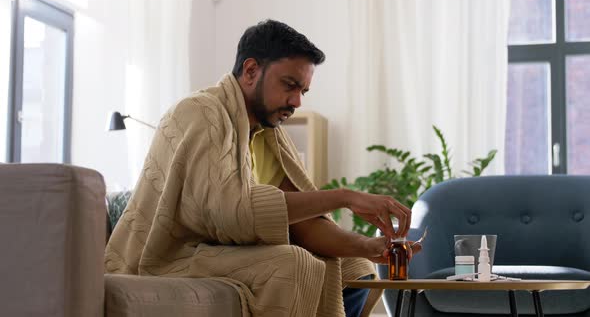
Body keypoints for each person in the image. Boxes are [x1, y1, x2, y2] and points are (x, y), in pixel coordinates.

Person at [105, 19, 420, 317]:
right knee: (294, 264)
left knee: (355, 268)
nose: (297, 100)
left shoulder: (270, 135)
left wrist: (368, 247)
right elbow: (229, 213)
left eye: (303, 91)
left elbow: (304, 225)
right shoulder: (201, 112)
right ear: (251, 70)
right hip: (169, 256)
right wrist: (344, 197)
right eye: (289, 85)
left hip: (215, 254)